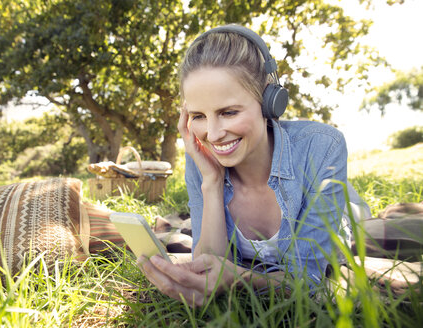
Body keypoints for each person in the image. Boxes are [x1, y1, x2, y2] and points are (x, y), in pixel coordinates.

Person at [138, 24, 358, 307]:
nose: (213, 134)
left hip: (343, 210)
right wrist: (212, 182)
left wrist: (239, 277)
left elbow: (307, 282)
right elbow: (209, 267)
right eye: (198, 116)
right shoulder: (202, 158)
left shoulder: (323, 147)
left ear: (269, 102)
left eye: (228, 112)